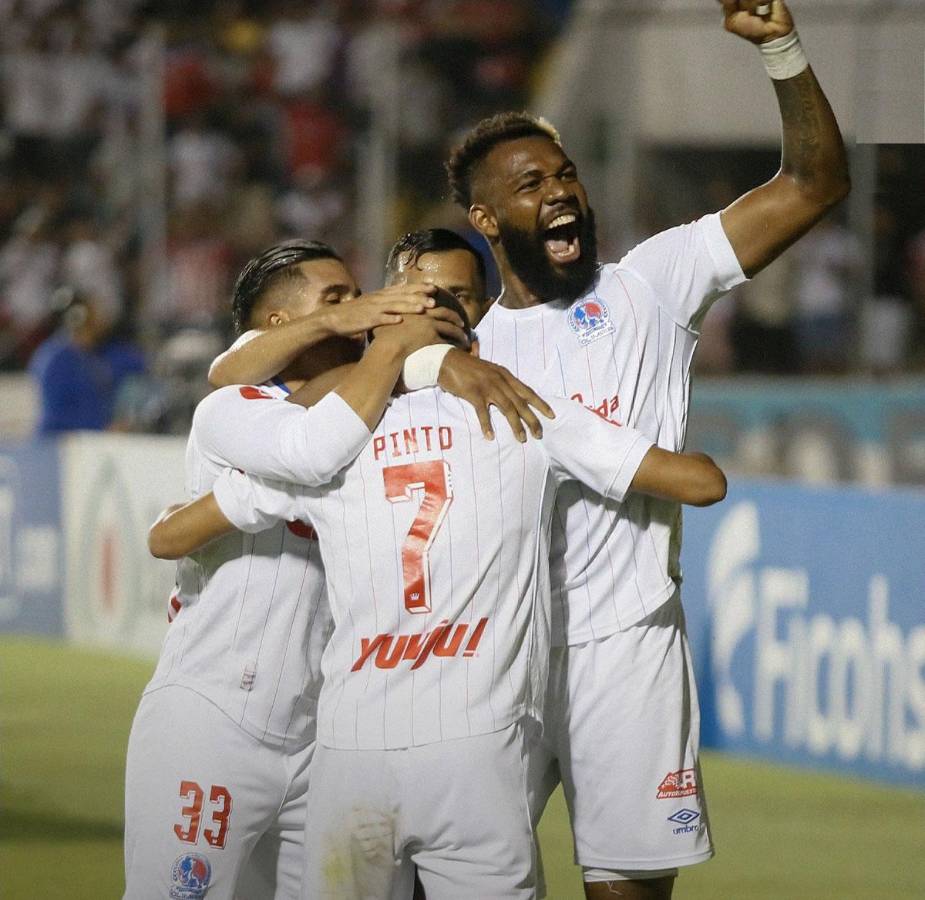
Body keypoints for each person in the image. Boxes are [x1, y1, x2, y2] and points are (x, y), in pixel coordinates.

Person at [440, 2, 850, 897]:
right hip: (492, 654)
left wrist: (778, 49)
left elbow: (812, 185)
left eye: (565, 174)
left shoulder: (650, 284)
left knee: (623, 890)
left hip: (623, 646)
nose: (558, 191)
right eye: (528, 183)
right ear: (484, 216)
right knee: (451, 881)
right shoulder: (461, 357)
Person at [149, 288, 727, 899]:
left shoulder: (334, 446)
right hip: (478, 759)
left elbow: (170, 536)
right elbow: (701, 482)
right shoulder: (525, 417)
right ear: (471, 350)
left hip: (351, 759)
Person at [123, 240, 488, 900]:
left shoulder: (387, 414)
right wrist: (380, 349)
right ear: (280, 325)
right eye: (335, 299)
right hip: (214, 721)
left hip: (327, 735)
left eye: (358, 294)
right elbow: (310, 452)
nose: (361, 309)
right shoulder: (233, 410)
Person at [29, 287, 145, 435]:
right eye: (94, 310)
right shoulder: (55, 359)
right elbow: (57, 415)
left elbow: (138, 366)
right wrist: (102, 428)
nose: (101, 316)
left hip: (91, 443)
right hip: (59, 445)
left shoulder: (99, 353)